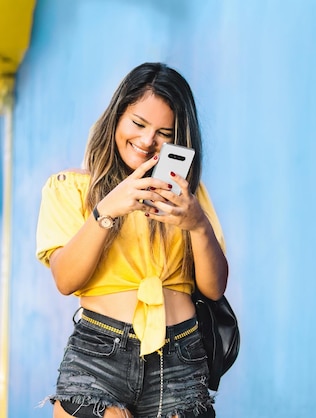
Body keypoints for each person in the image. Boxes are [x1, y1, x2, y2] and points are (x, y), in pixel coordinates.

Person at [36, 62, 228, 418]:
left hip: (180, 357)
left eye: (164, 133)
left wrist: (199, 225)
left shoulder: (188, 197)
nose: (145, 141)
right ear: (116, 117)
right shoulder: (71, 187)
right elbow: (65, 280)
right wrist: (108, 209)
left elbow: (213, 288)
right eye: (138, 124)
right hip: (99, 355)